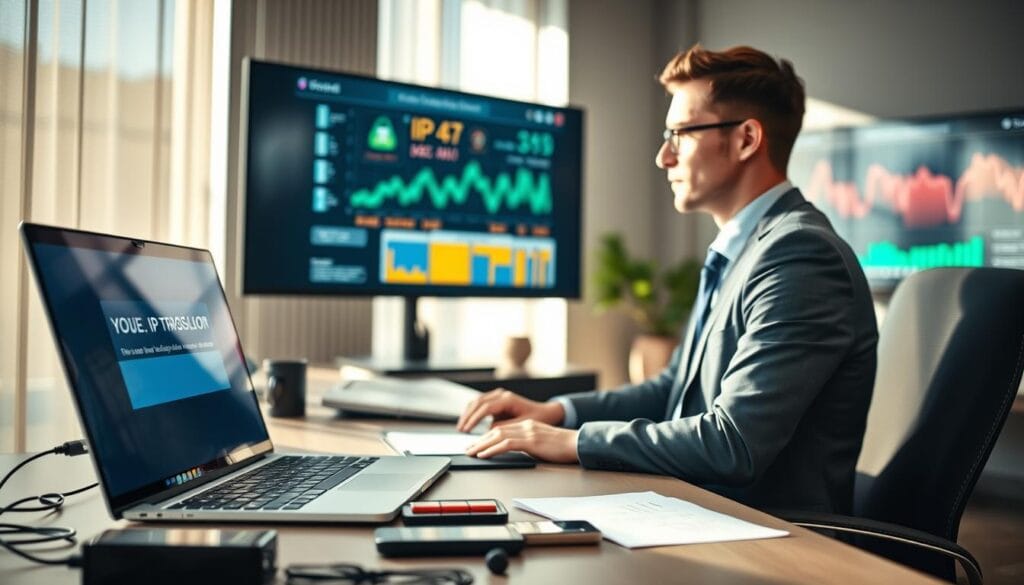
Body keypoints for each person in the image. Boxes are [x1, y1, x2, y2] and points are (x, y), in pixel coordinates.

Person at [456, 44, 878, 514]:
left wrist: (572, 441)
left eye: (680, 133)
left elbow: (732, 443)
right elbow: (673, 388)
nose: (663, 156)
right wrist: (557, 413)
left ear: (745, 139)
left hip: (768, 537)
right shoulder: (744, 250)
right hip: (700, 511)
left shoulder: (800, 256)